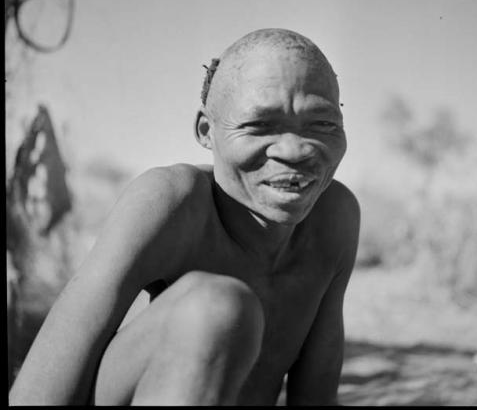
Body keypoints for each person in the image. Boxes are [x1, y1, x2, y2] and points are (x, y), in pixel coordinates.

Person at [9, 28, 360, 406]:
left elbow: (316, 395)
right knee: (217, 308)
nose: (294, 150)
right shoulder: (169, 202)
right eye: (259, 125)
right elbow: (38, 394)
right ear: (206, 131)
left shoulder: (334, 218)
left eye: (323, 124)